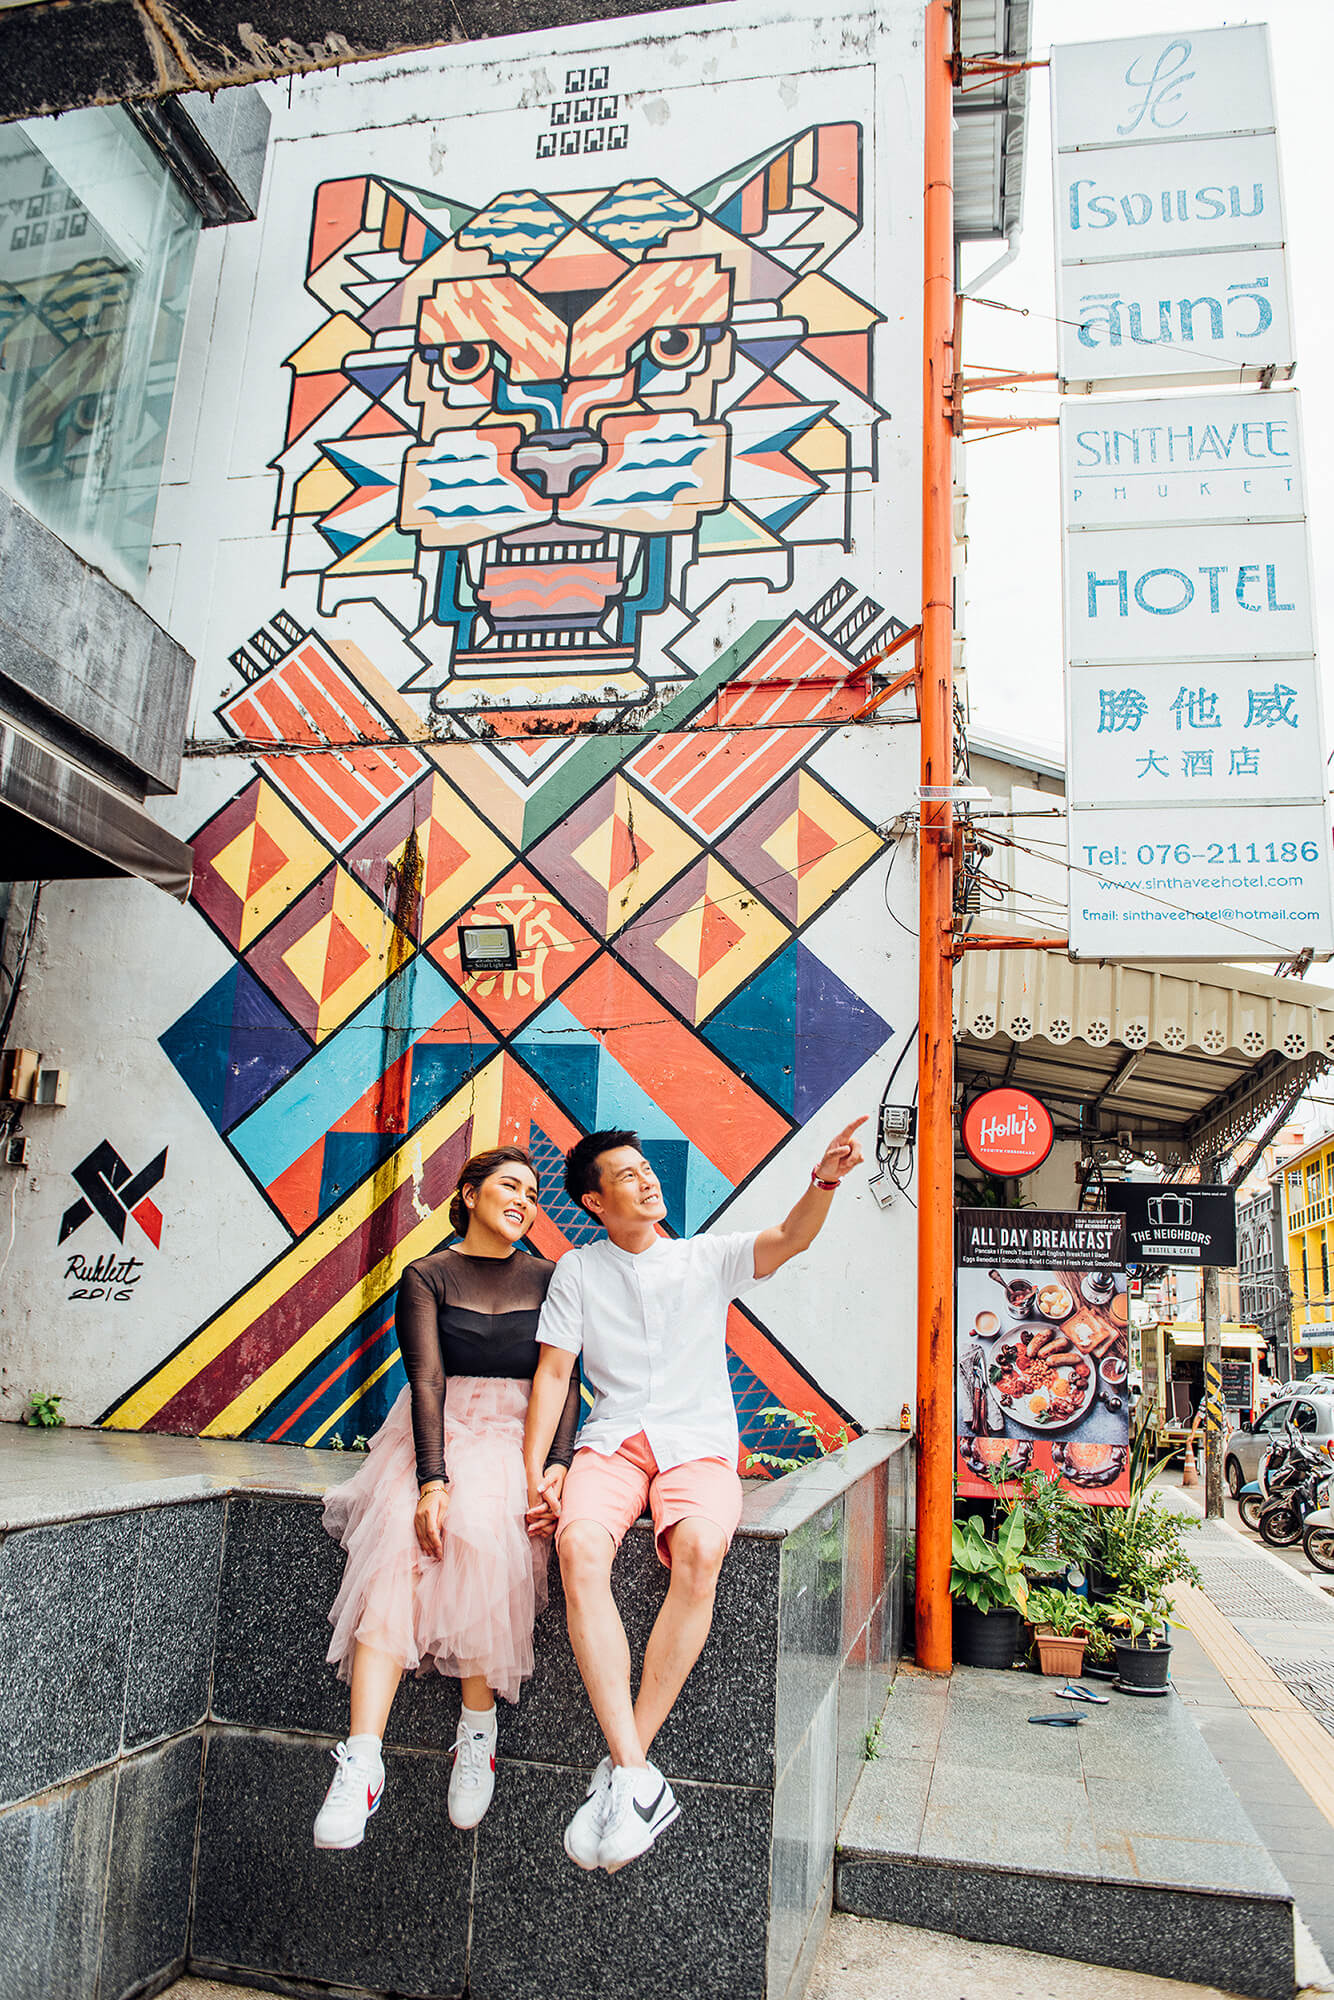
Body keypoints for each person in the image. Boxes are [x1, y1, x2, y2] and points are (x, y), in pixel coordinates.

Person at [522, 1118, 865, 1874]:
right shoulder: (578, 1272)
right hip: (610, 1442)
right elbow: (554, 1377)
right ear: (594, 1198)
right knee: (578, 1549)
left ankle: (626, 1770)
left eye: (648, 1170)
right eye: (628, 1174)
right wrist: (536, 1470)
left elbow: (790, 1238)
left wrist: (826, 1182)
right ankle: (637, 1779)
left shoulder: (705, 1259)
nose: (647, 1181)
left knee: (702, 1549)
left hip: (698, 1445)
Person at [313, 1145, 580, 1850]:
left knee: (490, 1531)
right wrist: (432, 1479)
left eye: (532, 1191)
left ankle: (477, 1731)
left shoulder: (553, 1277)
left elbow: (566, 1380)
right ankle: (361, 1759)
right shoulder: (427, 1275)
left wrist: (556, 1465)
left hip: (518, 1436)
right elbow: (426, 1379)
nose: (524, 1199)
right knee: (397, 1545)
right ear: (467, 1193)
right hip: (437, 1431)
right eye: (508, 1186)